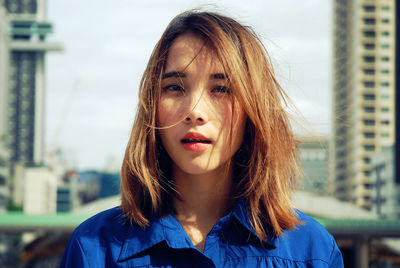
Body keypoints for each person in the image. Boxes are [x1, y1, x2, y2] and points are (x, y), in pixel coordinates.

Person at [61, 10, 343, 267]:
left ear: (253, 108)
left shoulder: (312, 252)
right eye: (174, 87)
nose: (195, 111)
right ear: (152, 106)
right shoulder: (94, 249)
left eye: (221, 88)